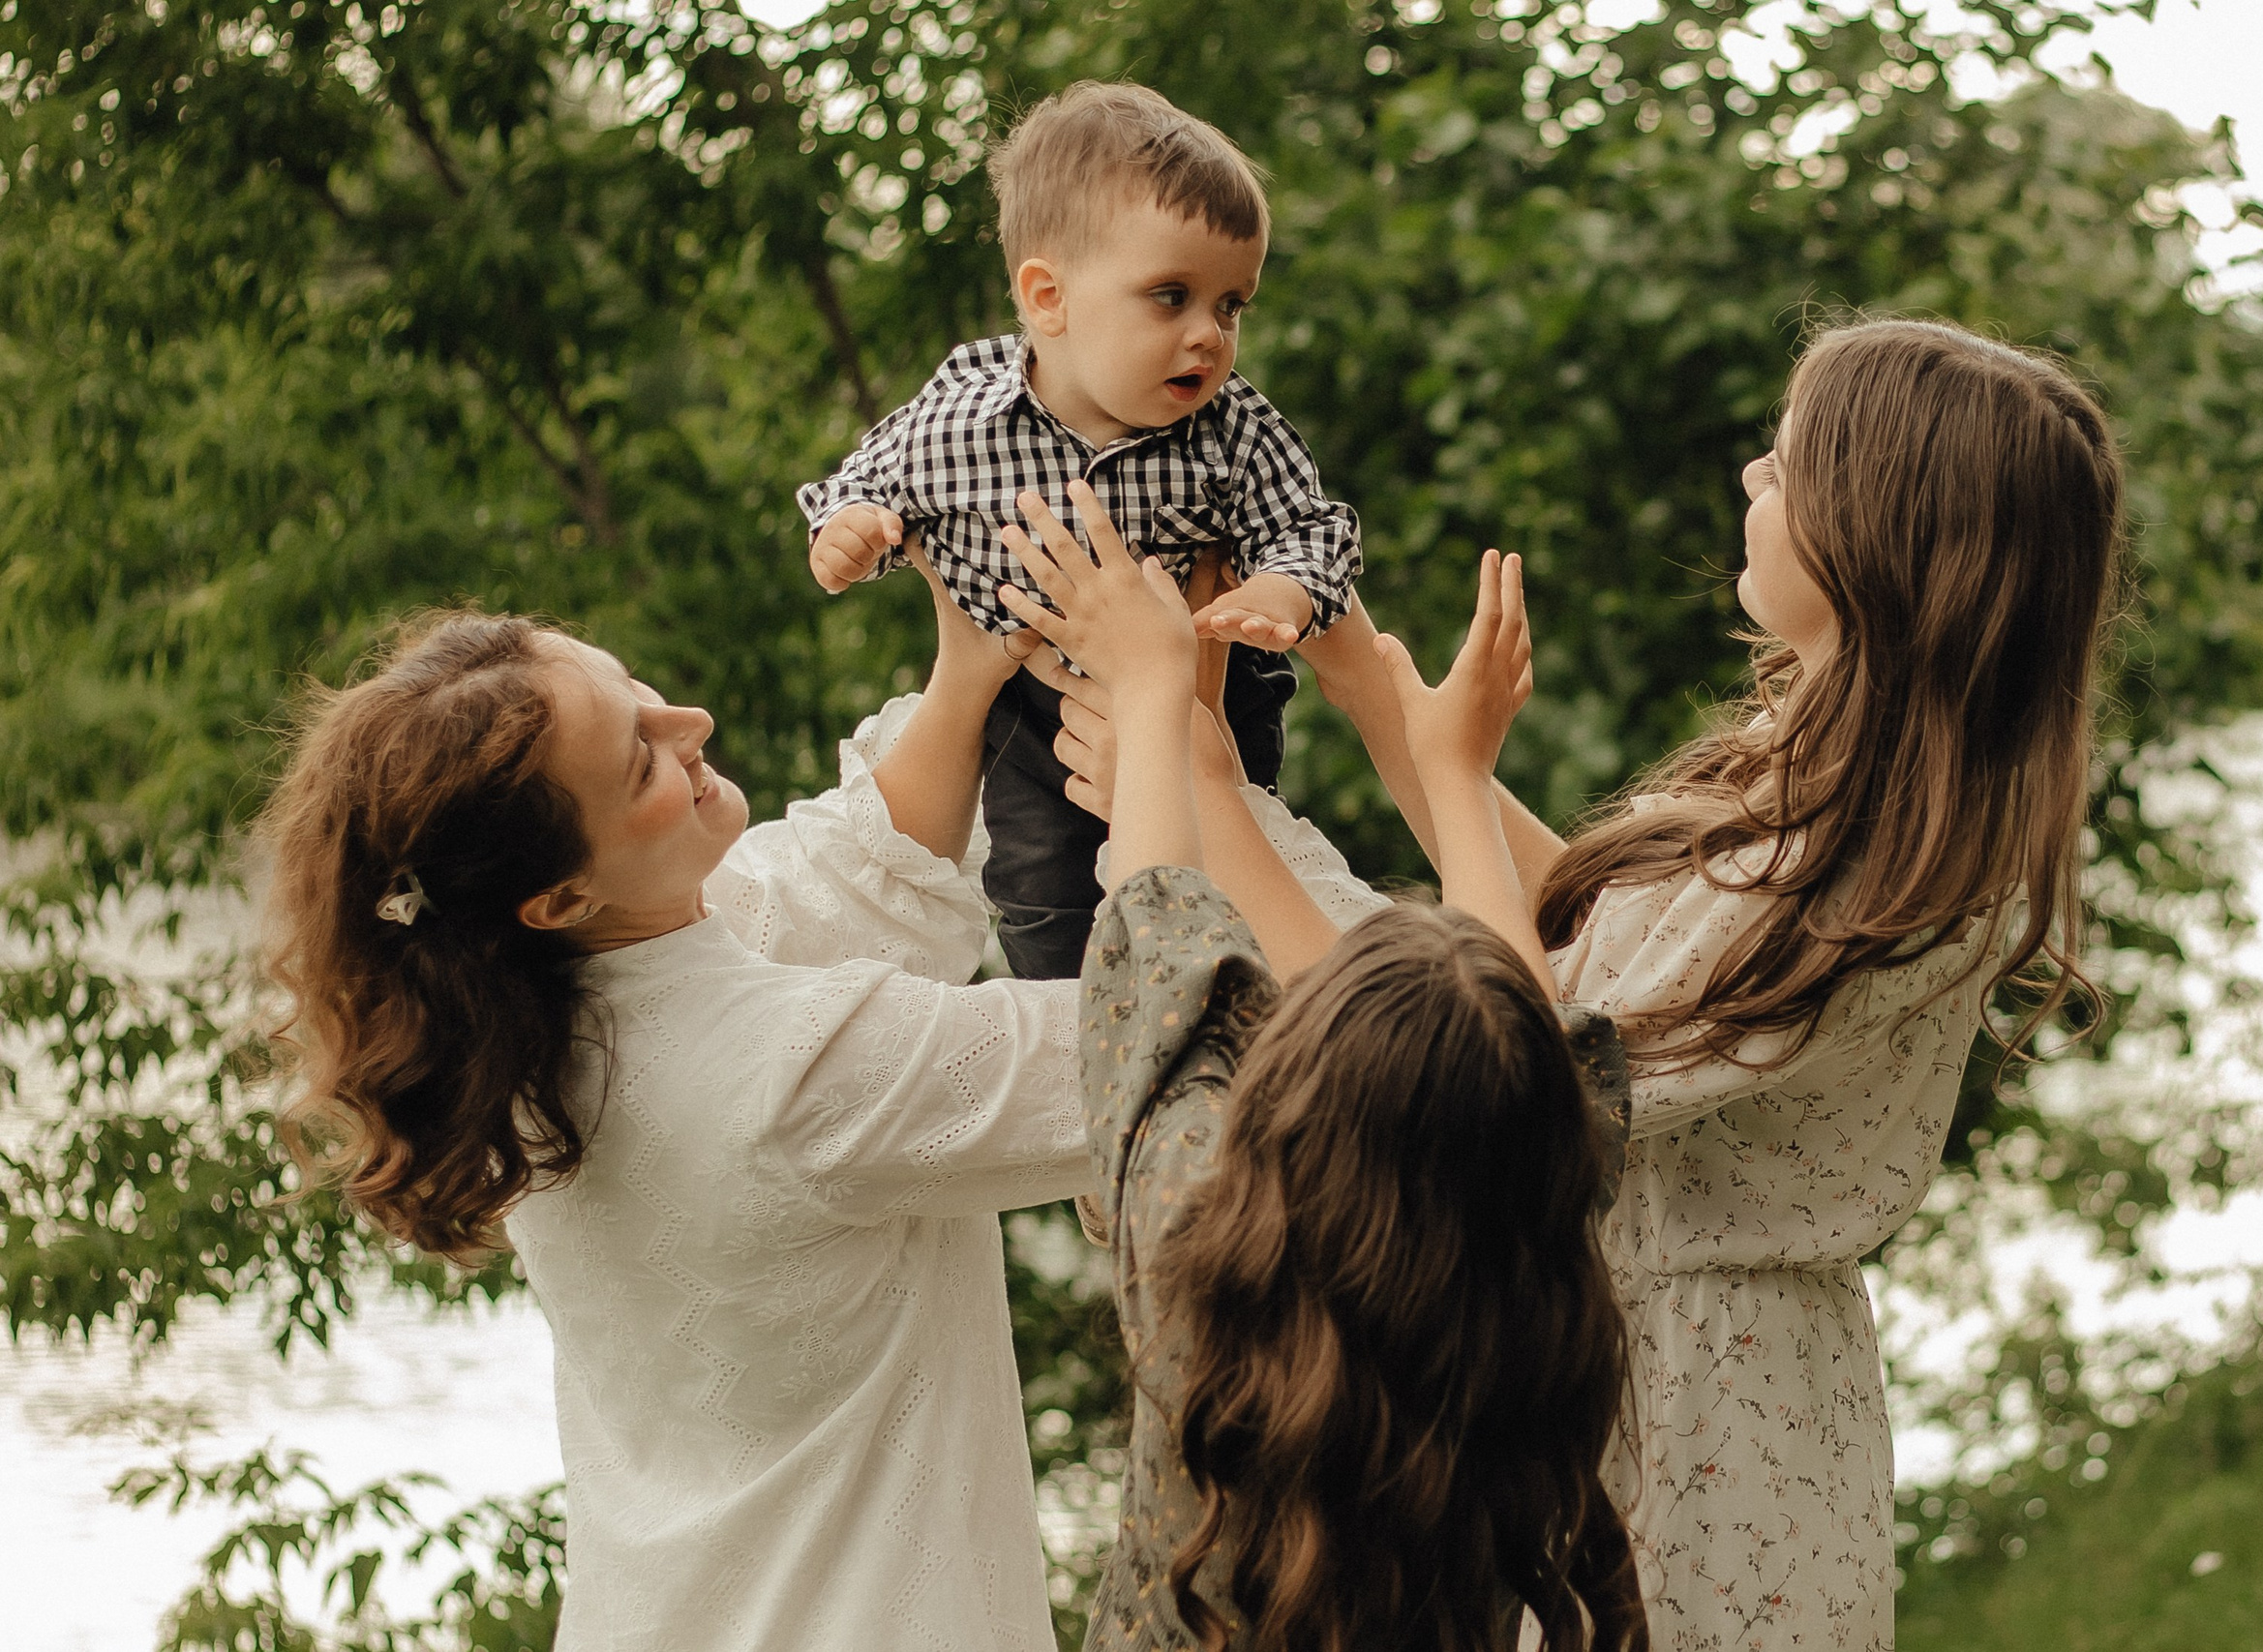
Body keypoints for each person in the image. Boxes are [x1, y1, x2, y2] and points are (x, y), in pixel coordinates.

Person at [1379, 318, 2126, 1649]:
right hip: (1670, 1366)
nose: (1746, 483)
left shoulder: (1868, 869)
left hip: (1708, 1423)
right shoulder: (1825, 792)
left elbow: (1537, 1067)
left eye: (1782, 469)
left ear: (1872, 539)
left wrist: (1447, 768)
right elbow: (1594, 946)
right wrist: (1382, 703)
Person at [256, 570, 1092, 1649]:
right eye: (640, 755)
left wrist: (969, 674)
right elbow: (1168, 1045)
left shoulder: (530, 1020)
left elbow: (864, 881)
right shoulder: (794, 1072)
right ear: (558, 897)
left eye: (638, 692)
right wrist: (1179, 741)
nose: (689, 723)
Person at [999, 480, 1649, 1651]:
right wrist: (1447, 778)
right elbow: (1522, 1055)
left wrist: (1153, 708)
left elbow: (1157, 943)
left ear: (1291, 1073)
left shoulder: (1202, 1240)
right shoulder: (1529, 1268)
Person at [796, 80, 1416, 980]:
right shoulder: (963, 414)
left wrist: (1277, 589)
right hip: (1031, 698)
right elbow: (869, 475)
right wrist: (854, 526)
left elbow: (1310, 528)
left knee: (1216, 887)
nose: (1210, 334)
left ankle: (1222, 1010)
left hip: (1205, 705)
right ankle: (1089, 1050)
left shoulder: (1231, 429)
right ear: (1048, 297)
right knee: (1045, 901)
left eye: (1232, 305)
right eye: (1172, 296)